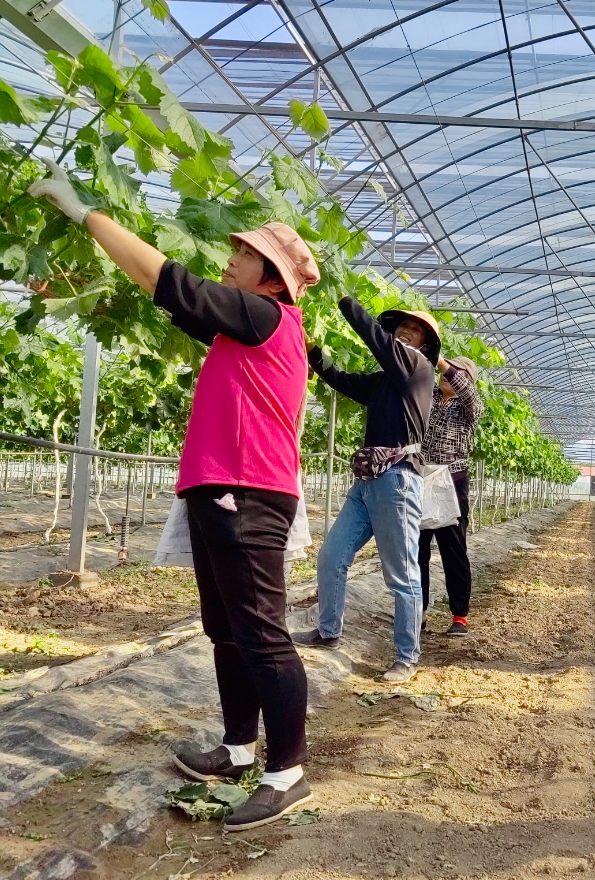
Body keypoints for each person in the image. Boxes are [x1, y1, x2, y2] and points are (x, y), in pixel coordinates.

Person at [29, 162, 321, 830]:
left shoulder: (266, 316)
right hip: (223, 491)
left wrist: (82, 211)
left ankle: (288, 772)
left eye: (243, 256)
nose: (230, 261)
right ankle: (239, 748)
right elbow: (156, 291)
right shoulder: (240, 327)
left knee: (263, 636)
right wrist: (67, 288)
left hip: (247, 493)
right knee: (228, 630)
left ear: (273, 278)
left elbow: (169, 279)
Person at [292, 303, 438, 685]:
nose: (405, 332)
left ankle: (407, 657)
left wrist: (344, 301)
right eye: (401, 327)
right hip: (369, 481)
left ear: (426, 344)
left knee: (402, 575)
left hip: (398, 482)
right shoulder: (384, 381)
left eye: (414, 330)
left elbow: (378, 340)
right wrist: (314, 355)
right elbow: (341, 380)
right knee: (332, 556)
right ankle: (328, 631)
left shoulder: (418, 369)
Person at [419, 355, 484, 637]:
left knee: (453, 550)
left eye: (458, 373)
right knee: (416, 549)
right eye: (447, 372)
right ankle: (416, 612)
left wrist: (444, 363)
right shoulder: (427, 396)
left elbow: (469, 393)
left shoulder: (469, 407)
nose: (448, 376)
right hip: (420, 478)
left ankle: (460, 615)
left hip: (451, 480)